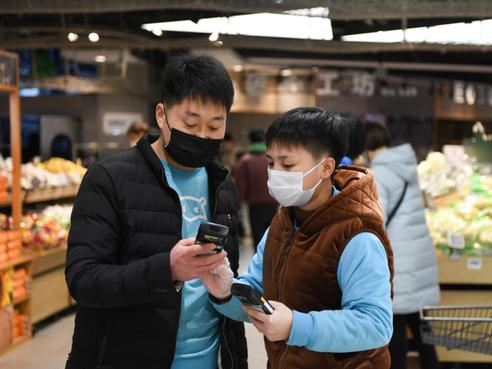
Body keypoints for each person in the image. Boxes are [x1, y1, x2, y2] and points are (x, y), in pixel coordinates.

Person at [65, 54, 247, 369]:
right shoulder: (110, 177)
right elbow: (83, 280)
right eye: (190, 124)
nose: (202, 136)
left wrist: (229, 295)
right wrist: (168, 270)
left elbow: (225, 273)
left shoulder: (222, 183)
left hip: (211, 358)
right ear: (161, 115)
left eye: (215, 126)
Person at [203, 107, 394, 369]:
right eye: (271, 163)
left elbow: (376, 325)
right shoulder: (281, 224)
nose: (276, 172)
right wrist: (225, 292)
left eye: (288, 164)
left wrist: (296, 325)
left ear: (326, 167)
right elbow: (258, 295)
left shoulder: (358, 236)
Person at [364, 122, 440, 369]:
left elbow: (377, 217)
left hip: (399, 257)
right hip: (416, 256)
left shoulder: (381, 172)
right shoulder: (404, 166)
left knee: (395, 326)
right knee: (420, 326)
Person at [234, 128, 279, 248]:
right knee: (274, 236)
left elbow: (241, 186)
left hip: (255, 206)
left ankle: (260, 264)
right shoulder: (273, 158)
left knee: (258, 237)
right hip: (275, 202)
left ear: (249, 141)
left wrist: (238, 206)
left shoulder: (245, 160)